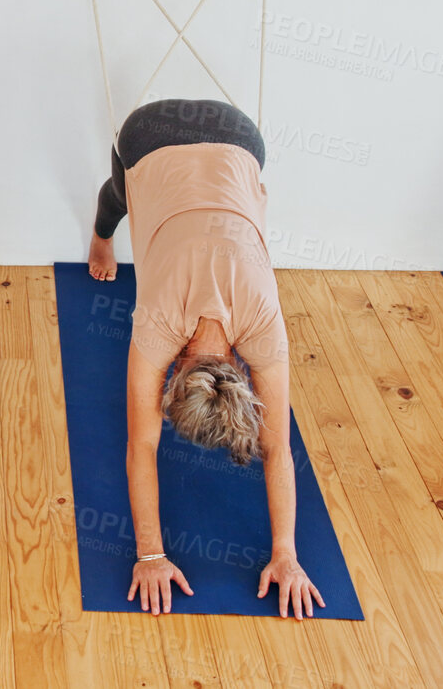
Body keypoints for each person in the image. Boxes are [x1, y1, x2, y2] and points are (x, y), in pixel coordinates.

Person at [87, 98, 323, 618]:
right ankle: (101, 237)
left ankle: (106, 226)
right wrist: (149, 555)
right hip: (158, 136)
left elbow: (279, 449)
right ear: (174, 374)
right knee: (122, 192)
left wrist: (287, 553)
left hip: (238, 135)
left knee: (127, 194)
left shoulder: (264, 326)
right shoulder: (158, 327)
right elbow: (141, 447)